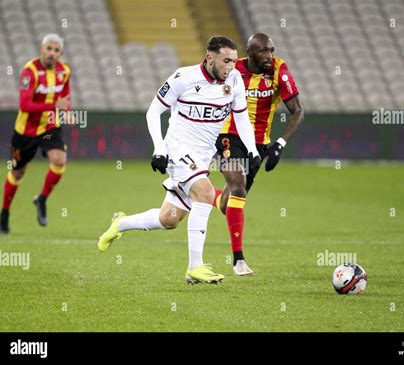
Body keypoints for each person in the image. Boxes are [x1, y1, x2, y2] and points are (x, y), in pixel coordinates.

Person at [98, 36, 261, 284]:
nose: (231, 66)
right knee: (206, 193)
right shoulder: (182, 78)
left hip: (203, 157)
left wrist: (253, 150)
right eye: (226, 60)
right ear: (209, 57)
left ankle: (120, 224)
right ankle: (195, 267)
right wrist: (159, 149)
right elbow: (153, 111)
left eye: (233, 60)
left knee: (169, 219)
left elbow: (240, 117)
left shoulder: (235, 80)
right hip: (178, 149)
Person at [214, 33, 304, 275]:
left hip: (259, 144)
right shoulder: (234, 70)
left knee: (227, 203)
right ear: (251, 53)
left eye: (272, 50)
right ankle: (238, 260)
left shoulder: (278, 70)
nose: (270, 56)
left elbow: (297, 111)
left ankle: (205, 194)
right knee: (238, 187)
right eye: (264, 51)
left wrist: (280, 143)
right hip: (229, 135)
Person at [0, 34, 71, 234]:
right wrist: (53, 105)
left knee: (59, 160)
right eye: (49, 48)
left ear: (60, 54)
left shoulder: (64, 71)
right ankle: (4, 213)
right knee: (18, 172)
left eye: (56, 50)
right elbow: (25, 104)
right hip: (25, 131)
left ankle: (42, 198)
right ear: (41, 49)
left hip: (49, 126)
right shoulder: (30, 72)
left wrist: (68, 110)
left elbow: (65, 95)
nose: (52, 53)